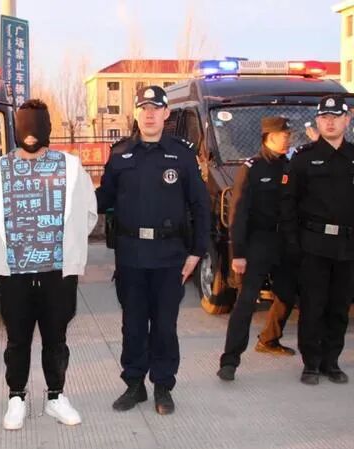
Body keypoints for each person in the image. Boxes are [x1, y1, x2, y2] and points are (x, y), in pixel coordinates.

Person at [0, 99, 97, 430]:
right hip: (13, 273)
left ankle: (56, 396)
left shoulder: (70, 167)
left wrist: (66, 245)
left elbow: (88, 213)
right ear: (16, 128)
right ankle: (16, 397)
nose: (30, 134)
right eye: (25, 126)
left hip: (57, 272)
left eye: (36, 125)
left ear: (48, 128)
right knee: (17, 339)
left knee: (56, 338)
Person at [96, 86, 210, 415]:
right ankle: (134, 384)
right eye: (143, 108)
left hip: (169, 256)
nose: (149, 114)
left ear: (165, 114)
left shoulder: (181, 155)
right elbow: (102, 199)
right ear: (136, 113)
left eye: (155, 108)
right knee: (132, 326)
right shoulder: (120, 154)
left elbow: (200, 205)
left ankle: (163, 386)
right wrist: (67, 191)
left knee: (164, 326)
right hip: (131, 255)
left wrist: (197, 251)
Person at [217, 117, 298, 382]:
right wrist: (238, 253)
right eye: (283, 135)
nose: (288, 139)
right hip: (257, 243)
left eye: (289, 135)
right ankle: (230, 361)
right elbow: (238, 212)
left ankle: (269, 339)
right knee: (246, 301)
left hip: (285, 242)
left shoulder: (290, 165)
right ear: (269, 137)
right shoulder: (252, 168)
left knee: (287, 294)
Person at [280, 95, 354, 385]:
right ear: (318, 121)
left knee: (339, 307)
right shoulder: (304, 158)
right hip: (313, 244)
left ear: (347, 119)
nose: (330, 122)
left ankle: (331, 362)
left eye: (336, 117)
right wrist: (292, 244)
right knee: (313, 306)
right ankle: (311, 363)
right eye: (325, 117)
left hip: (347, 246)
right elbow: (288, 204)